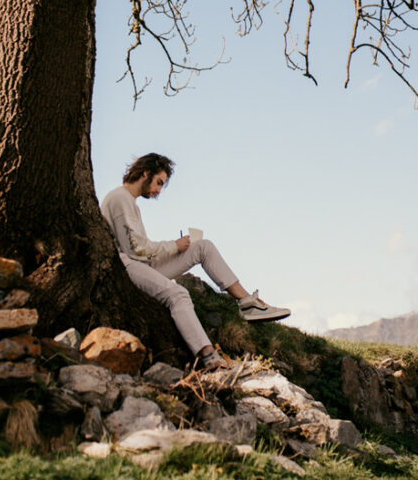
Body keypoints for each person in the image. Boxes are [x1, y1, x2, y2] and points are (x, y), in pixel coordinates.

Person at [100, 153, 291, 370]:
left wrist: (180, 246)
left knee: (203, 246)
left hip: (142, 264)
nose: (158, 191)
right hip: (127, 266)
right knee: (178, 294)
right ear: (146, 173)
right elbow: (135, 248)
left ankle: (247, 304)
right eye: (159, 182)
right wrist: (175, 246)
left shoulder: (129, 202)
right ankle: (208, 356)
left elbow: (140, 247)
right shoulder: (119, 198)